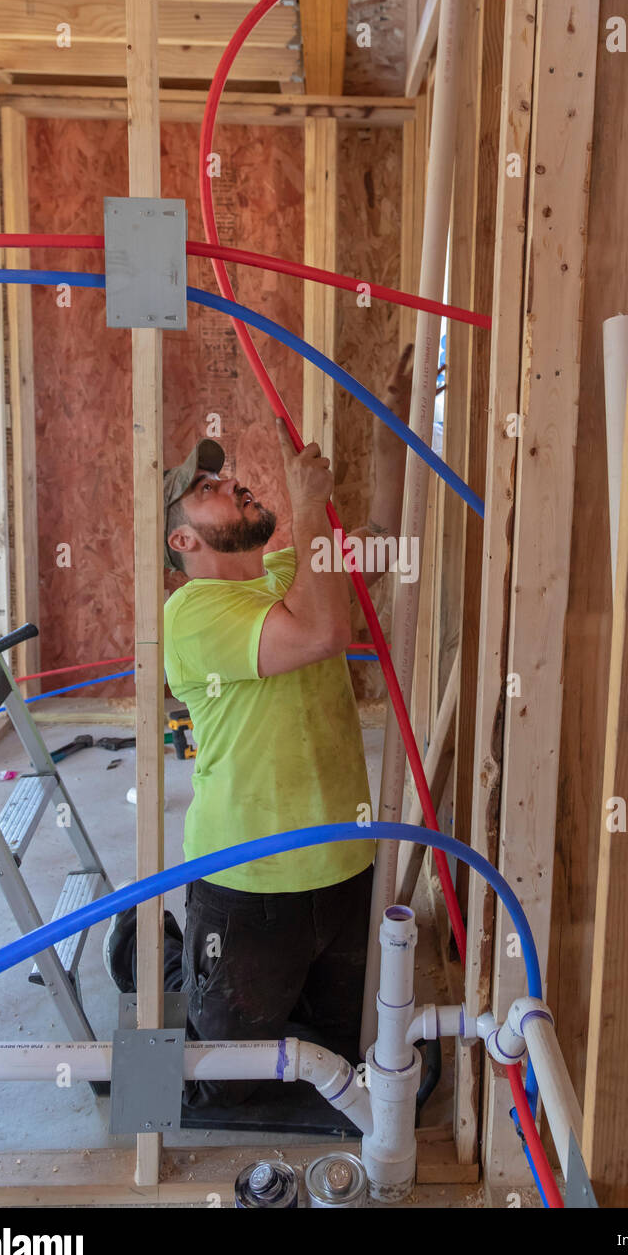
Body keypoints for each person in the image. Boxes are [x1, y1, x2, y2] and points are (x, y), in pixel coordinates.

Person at [104, 346, 413, 1112]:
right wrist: (308, 505)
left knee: (346, 1047)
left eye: (226, 475)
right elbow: (318, 635)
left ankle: (246, 986)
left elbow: (379, 534)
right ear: (185, 542)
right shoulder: (191, 615)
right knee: (233, 1083)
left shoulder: (286, 574)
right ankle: (160, 959)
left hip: (342, 863)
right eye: (207, 491)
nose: (230, 482)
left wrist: (393, 427)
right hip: (249, 879)